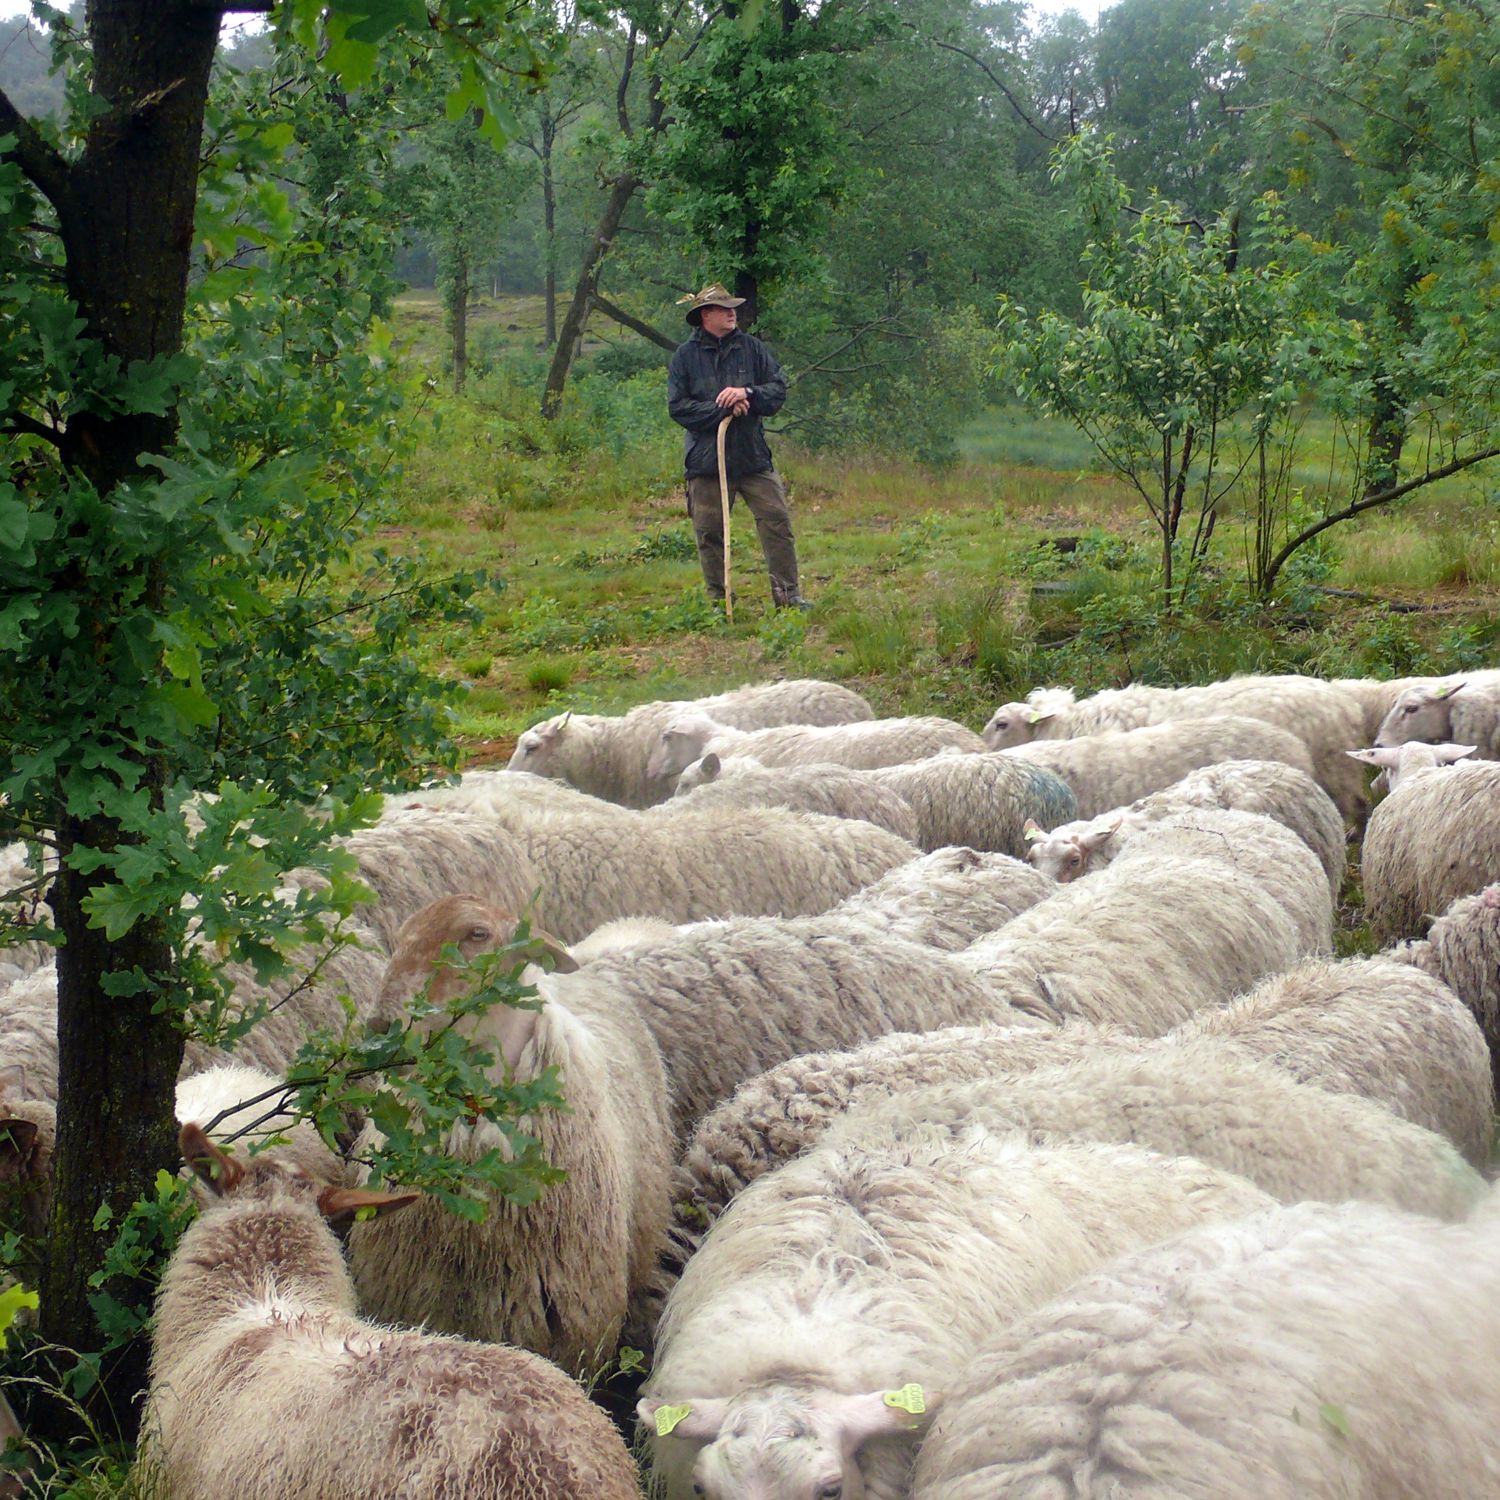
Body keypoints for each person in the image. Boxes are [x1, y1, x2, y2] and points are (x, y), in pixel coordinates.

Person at [667, 283, 810, 610]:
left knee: (777, 521)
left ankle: (788, 597)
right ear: (705, 315)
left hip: (752, 456)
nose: (732, 313)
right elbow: (678, 408)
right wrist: (723, 409)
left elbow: (777, 391)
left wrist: (747, 393)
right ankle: (720, 603)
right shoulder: (685, 357)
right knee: (710, 533)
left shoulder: (752, 348)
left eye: (733, 307)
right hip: (706, 461)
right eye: (724, 308)